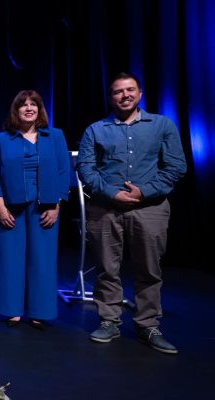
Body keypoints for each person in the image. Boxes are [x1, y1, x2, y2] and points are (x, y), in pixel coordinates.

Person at [78, 72, 186, 354]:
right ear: (110, 96)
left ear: (140, 93)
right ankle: (109, 321)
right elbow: (86, 169)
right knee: (106, 269)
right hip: (105, 208)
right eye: (117, 91)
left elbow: (176, 166)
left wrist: (144, 192)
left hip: (149, 209)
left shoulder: (161, 125)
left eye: (129, 90)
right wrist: (112, 193)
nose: (124, 95)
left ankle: (147, 325)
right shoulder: (96, 129)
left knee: (149, 269)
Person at [0, 90, 69, 329]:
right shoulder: (2, 139)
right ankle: (11, 309)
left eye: (33, 104)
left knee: (43, 260)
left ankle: (40, 311)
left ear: (39, 109)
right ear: (15, 111)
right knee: (10, 259)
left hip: (44, 207)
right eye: (23, 105)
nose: (28, 108)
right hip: (10, 208)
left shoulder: (54, 136)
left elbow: (63, 172)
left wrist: (56, 206)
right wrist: (0, 206)